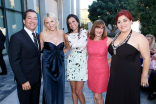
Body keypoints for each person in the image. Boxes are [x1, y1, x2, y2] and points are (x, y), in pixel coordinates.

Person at [105, 10, 150, 104]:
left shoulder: (140, 37)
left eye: (125, 20)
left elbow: (146, 58)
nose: (122, 24)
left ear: (131, 20)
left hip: (130, 78)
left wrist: (144, 76)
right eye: (119, 21)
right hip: (115, 76)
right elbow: (116, 53)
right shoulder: (117, 35)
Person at [8, 9, 41, 104]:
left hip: (37, 80)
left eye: (35, 18)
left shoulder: (38, 37)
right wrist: (23, 81)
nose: (32, 21)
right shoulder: (16, 37)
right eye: (29, 18)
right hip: (25, 81)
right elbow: (14, 61)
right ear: (24, 21)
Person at [40, 12, 70, 104]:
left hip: (60, 65)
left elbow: (67, 47)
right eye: (47, 22)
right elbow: (40, 50)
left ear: (56, 21)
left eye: (52, 21)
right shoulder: (42, 34)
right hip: (47, 66)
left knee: (60, 88)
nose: (50, 24)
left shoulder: (62, 33)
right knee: (49, 89)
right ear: (45, 24)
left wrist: (60, 53)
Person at [87, 20, 112, 104]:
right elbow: (85, 53)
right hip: (91, 70)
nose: (99, 30)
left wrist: (108, 62)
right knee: (94, 94)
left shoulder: (108, 40)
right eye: (97, 27)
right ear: (94, 28)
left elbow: (117, 53)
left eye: (102, 28)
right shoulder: (88, 40)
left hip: (102, 72)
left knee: (98, 96)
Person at [66, 14, 89, 104]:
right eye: (69, 23)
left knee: (79, 91)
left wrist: (85, 55)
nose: (72, 24)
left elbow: (89, 46)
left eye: (73, 21)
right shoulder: (67, 35)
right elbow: (67, 48)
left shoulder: (85, 32)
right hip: (71, 64)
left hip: (82, 64)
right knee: (73, 90)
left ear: (77, 21)